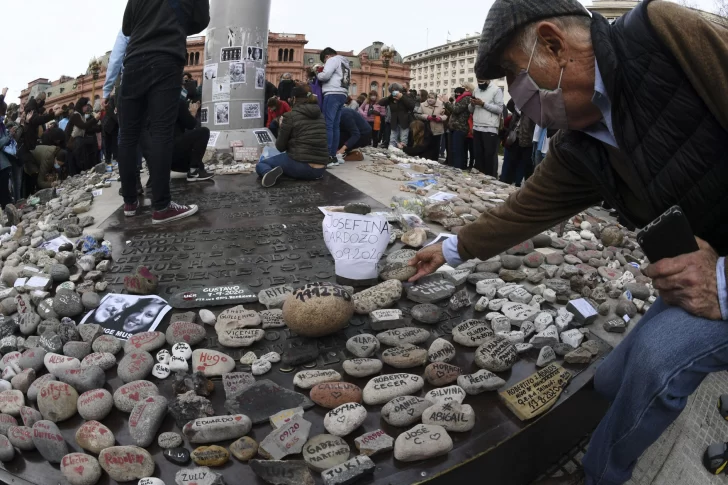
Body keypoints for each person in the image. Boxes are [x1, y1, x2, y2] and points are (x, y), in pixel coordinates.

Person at [408, 1, 728, 484]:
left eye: (516, 75)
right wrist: (449, 248)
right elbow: (524, 209)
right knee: (609, 379)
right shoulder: (581, 140)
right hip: (705, 270)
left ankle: (600, 475)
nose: (515, 98)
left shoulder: (667, 36)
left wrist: (722, 283)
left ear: (555, 45)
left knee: (655, 364)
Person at [118, 0, 209, 224]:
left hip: (133, 62)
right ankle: (162, 206)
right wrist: (174, 24)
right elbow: (201, 20)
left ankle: (130, 201)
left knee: (128, 135)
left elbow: (127, 27)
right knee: (161, 131)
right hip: (166, 58)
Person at [256, 86, 328, 188]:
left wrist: (281, 127)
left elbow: (280, 147)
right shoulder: (320, 115)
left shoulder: (290, 116)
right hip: (320, 170)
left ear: (294, 99)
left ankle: (269, 172)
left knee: (262, 164)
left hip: (302, 167)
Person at [316, 47, 351, 165]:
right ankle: (333, 155)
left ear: (326, 57)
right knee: (335, 126)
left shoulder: (332, 60)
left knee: (328, 125)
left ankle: (327, 156)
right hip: (342, 94)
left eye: (324, 62)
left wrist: (318, 73)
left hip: (332, 92)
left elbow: (325, 76)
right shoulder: (345, 63)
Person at [469, 78, 503, 176]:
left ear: (488, 79)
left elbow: (499, 109)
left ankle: (490, 179)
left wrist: (483, 104)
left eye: (482, 81)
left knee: (489, 156)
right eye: (478, 81)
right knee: (478, 156)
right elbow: (470, 110)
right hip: (477, 126)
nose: (480, 83)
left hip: (490, 127)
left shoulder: (496, 90)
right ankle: (479, 179)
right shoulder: (476, 90)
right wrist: (472, 104)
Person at [173, 99, 213, 181]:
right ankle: (194, 171)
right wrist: (193, 113)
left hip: (160, 158)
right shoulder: (177, 101)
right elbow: (190, 125)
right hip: (174, 156)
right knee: (204, 132)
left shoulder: (154, 101)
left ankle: (197, 168)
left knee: (200, 165)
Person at [65, 98, 102, 175]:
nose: (87, 107)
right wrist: (95, 119)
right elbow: (83, 126)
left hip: (77, 140)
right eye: (85, 106)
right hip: (72, 141)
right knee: (74, 161)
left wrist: (98, 124)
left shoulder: (82, 115)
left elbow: (87, 128)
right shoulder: (75, 115)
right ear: (81, 106)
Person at [378, 83, 416, 149]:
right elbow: (380, 102)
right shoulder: (391, 99)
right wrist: (390, 97)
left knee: (403, 139)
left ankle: (402, 154)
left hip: (404, 122)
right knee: (392, 140)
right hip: (394, 122)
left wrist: (401, 97)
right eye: (392, 90)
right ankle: (392, 152)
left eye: (396, 89)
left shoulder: (406, 96)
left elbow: (411, 106)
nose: (394, 91)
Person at [444, 85, 472, 169]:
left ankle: (458, 168)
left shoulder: (466, 98)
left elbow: (456, 110)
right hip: (455, 127)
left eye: (464, 86)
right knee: (455, 150)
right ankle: (457, 166)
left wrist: (446, 102)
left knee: (458, 150)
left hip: (460, 127)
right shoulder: (461, 98)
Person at [415, 91, 447, 162]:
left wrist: (440, 118)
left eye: (432, 98)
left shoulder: (441, 104)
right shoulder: (422, 105)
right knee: (426, 145)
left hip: (437, 128)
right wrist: (427, 117)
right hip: (426, 128)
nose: (430, 99)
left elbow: (445, 115)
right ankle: (424, 160)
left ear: (435, 99)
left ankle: (434, 161)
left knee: (435, 146)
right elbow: (418, 115)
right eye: (429, 97)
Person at [0, 90, 13, 208]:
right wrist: (8, 137)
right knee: (4, 193)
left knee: (5, 192)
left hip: (3, 163)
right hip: (2, 165)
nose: (3, 116)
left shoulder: (2, 125)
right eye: (2, 112)